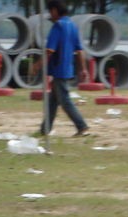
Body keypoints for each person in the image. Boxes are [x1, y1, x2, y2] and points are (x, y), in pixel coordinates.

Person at [37, 0, 90, 137]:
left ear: (55, 10)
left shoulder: (58, 26)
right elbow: (80, 50)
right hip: (67, 68)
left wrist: (37, 64)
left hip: (58, 68)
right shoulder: (72, 26)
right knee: (52, 101)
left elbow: (50, 50)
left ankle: (81, 125)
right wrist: (83, 69)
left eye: (50, 11)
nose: (50, 14)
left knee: (65, 101)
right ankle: (45, 129)